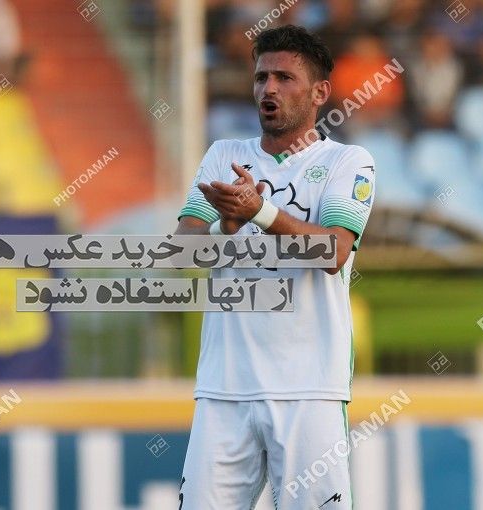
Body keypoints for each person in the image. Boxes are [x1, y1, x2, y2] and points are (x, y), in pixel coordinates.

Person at [175, 25, 375, 509]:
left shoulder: (349, 161)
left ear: (320, 93)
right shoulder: (224, 155)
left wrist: (260, 213)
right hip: (224, 388)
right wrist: (226, 226)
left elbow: (333, 253)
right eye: (262, 77)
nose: (269, 89)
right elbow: (182, 253)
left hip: (308, 388)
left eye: (285, 78)